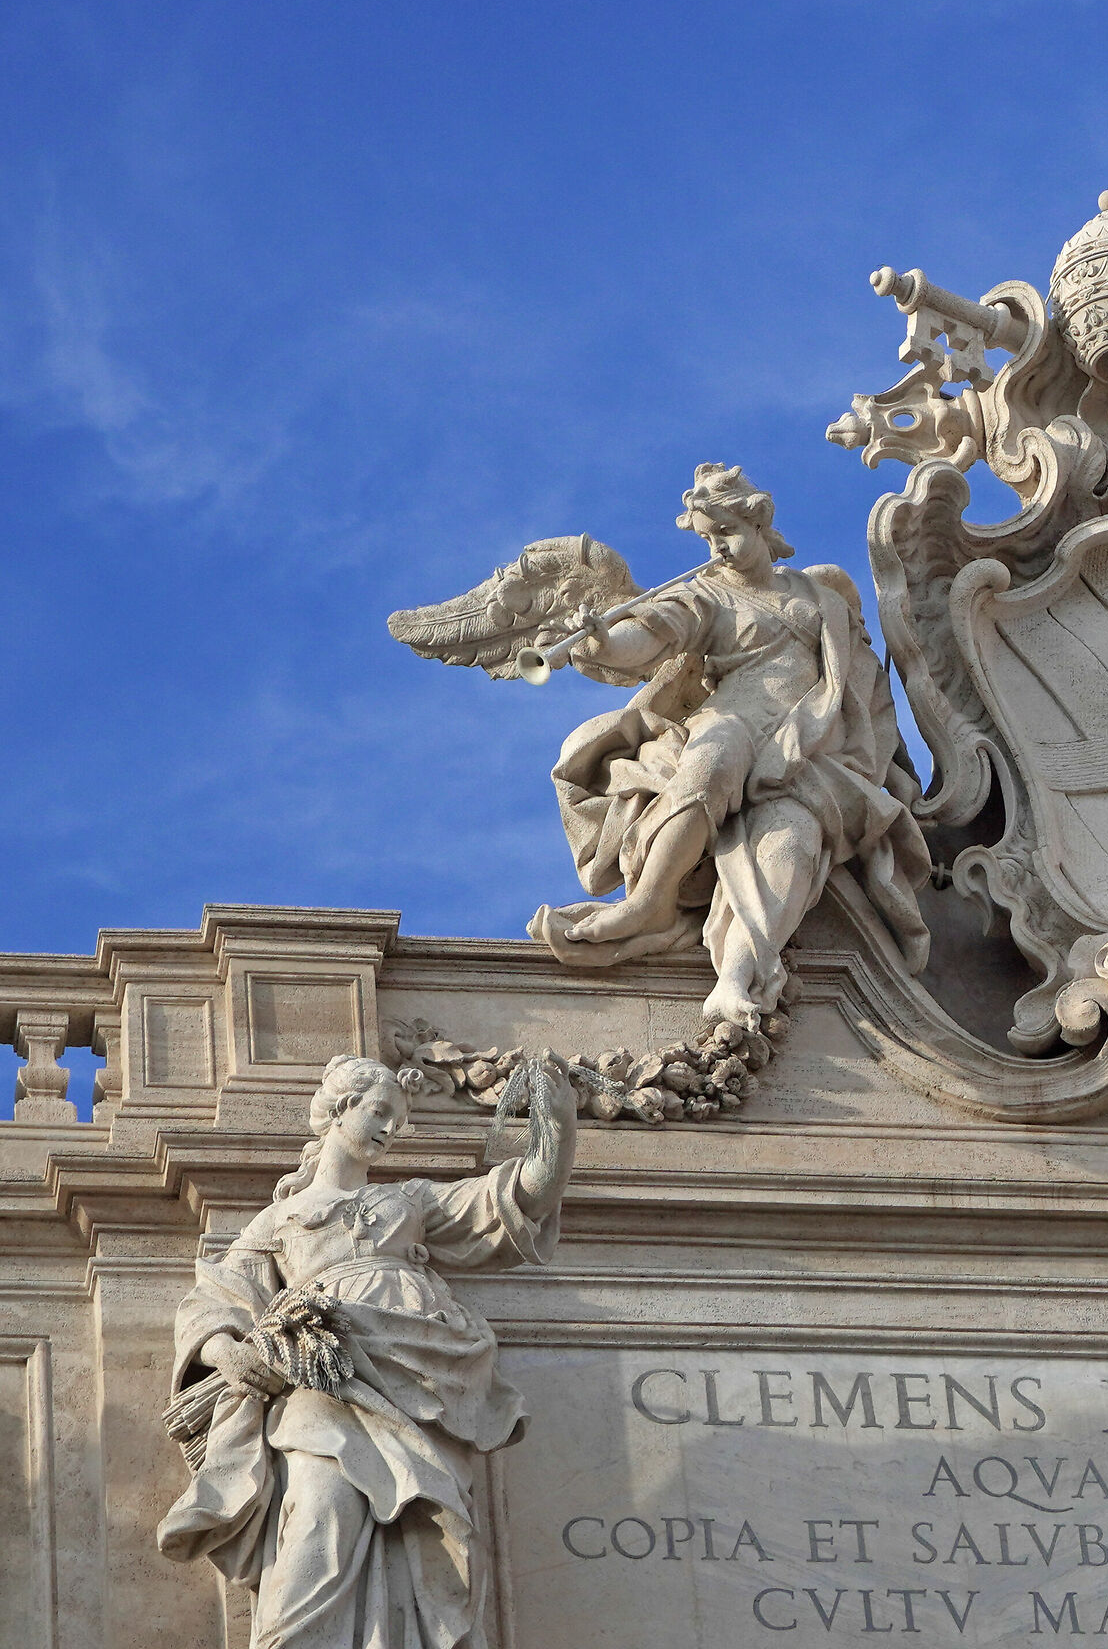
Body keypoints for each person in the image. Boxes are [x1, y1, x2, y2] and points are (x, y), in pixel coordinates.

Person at [159, 1052, 577, 1648]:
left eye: (399, 1122)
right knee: (317, 1513)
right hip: (323, 1373)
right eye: (380, 1112)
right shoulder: (279, 1220)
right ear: (340, 1108)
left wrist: (557, 1126)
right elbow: (217, 1297)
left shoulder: (411, 1202)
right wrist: (228, 1351)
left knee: (429, 1534)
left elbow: (521, 1195)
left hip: (416, 1377)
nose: (389, 1130)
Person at [529, 463, 931, 1028]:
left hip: (808, 744)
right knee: (714, 760)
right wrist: (602, 641)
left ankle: (736, 978)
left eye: (726, 532)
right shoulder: (705, 596)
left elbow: (860, 676)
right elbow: (650, 637)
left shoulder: (821, 590)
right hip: (734, 718)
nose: (717, 547)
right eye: (707, 538)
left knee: (790, 842)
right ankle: (649, 903)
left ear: (759, 522)